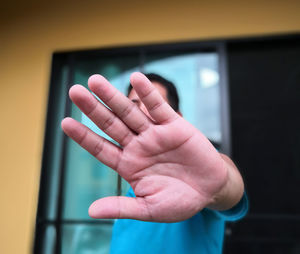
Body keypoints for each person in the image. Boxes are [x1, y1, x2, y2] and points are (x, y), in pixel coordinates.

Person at [61, 72, 248, 254]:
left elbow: (226, 183)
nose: (140, 111)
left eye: (152, 105)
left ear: (178, 116)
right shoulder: (129, 181)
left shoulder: (192, 167)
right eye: (133, 105)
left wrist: (221, 184)